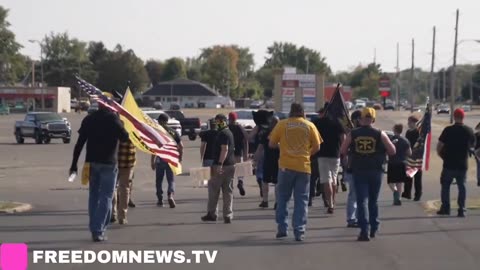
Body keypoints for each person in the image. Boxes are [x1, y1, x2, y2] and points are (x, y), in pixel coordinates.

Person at [69, 96, 129, 242]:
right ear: (111, 105)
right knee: (106, 197)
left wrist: (74, 164)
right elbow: (125, 137)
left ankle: (96, 226)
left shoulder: (89, 119)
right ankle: (98, 229)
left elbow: (79, 144)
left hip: (92, 162)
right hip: (109, 163)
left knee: (94, 195)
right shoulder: (113, 119)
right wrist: (120, 122)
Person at [340, 107, 395, 241]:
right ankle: (374, 227)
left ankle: (364, 230)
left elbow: (342, 150)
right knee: (373, 200)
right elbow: (392, 151)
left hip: (359, 171)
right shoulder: (380, 134)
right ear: (373, 119)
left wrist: (352, 155)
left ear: (360, 119)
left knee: (361, 200)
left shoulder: (353, 133)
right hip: (376, 171)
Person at [269, 103, 322, 241]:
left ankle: (282, 228)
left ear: (290, 112)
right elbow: (317, 146)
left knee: (282, 198)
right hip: (303, 167)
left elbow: (271, 144)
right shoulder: (310, 125)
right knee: (301, 200)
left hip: (285, 166)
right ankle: (299, 230)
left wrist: (283, 147)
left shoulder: (282, 124)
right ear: (303, 112)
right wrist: (307, 154)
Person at [436, 108, 475, 217]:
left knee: (445, 186)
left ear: (454, 117)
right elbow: (472, 146)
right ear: (463, 117)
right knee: (461, 186)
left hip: (449, 163)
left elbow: (439, 147)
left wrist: (442, 156)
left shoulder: (448, 130)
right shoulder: (469, 131)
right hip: (462, 163)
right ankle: (461, 209)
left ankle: (445, 208)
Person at [201, 114, 236, 223]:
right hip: (231, 165)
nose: (217, 124)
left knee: (213, 190)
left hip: (221, 165)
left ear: (222, 122)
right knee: (228, 191)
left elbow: (224, 149)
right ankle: (228, 215)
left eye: (218, 121)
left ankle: (212, 214)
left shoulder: (223, 134)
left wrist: (220, 164)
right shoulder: (229, 133)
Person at [313, 107, 345, 214]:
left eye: (320, 113)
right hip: (335, 154)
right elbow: (342, 137)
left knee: (326, 179)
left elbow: (313, 137)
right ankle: (333, 201)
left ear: (323, 113)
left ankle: (330, 202)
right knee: (334, 178)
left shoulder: (317, 123)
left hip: (322, 154)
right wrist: (342, 150)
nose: (319, 115)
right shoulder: (338, 122)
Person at [151, 113, 183, 208]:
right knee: (171, 180)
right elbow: (181, 146)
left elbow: (154, 148)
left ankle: (160, 199)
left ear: (161, 121)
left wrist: (152, 161)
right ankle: (170, 195)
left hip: (160, 159)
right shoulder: (174, 132)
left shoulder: (157, 132)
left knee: (159, 180)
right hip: (171, 158)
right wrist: (180, 157)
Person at [256, 116, 280, 208]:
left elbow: (260, 147)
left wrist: (256, 158)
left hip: (268, 159)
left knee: (265, 180)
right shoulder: (281, 133)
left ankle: (265, 201)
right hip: (277, 160)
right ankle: (276, 202)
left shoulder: (266, 133)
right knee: (276, 182)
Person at [111, 138, 136, 224]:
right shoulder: (133, 128)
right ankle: (122, 216)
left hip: (114, 160)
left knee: (113, 187)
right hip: (128, 161)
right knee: (125, 187)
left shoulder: (115, 125)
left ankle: (113, 213)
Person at [344, 110, 361, 227]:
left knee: (361, 195)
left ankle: (360, 217)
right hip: (353, 167)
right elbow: (343, 150)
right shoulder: (351, 133)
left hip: (362, 168)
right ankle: (351, 218)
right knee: (354, 195)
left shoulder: (354, 132)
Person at [387, 124, 411, 206]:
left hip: (392, 162)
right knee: (399, 182)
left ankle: (395, 192)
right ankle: (399, 197)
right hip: (401, 163)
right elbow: (409, 152)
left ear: (394, 130)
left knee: (390, 182)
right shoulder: (405, 140)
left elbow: (387, 150)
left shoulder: (390, 139)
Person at [228, 112, 249, 196]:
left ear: (229, 119)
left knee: (230, 171)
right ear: (235, 119)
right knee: (240, 169)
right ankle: (240, 181)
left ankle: (230, 188)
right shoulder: (239, 128)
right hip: (238, 151)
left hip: (229, 152)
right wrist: (246, 153)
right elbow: (246, 139)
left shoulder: (227, 128)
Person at [403, 116, 423, 201]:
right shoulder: (408, 132)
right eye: (408, 122)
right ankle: (407, 193)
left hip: (417, 157)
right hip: (409, 156)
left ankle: (417, 194)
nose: (408, 123)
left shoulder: (418, 132)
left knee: (417, 177)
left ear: (415, 123)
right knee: (408, 176)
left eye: (410, 122)